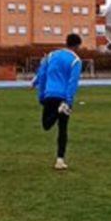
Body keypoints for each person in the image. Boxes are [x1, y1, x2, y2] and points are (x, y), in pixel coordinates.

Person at [32, 33, 83, 170]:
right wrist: (68, 101)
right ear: (78, 46)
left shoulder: (51, 55)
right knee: (63, 129)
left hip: (50, 94)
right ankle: (60, 160)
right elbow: (73, 83)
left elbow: (42, 74)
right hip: (64, 98)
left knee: (46, 125)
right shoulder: (76, 61)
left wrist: (40, 92)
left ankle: (60, 160)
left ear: (66, 42)